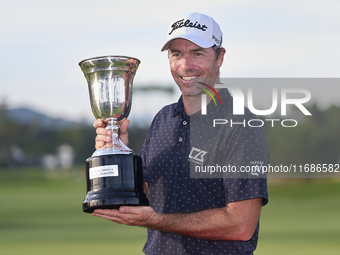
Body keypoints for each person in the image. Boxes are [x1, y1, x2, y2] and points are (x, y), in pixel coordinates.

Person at [92, 12, 269, 255]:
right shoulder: (163, 119)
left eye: (197, 53)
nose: (186, 65)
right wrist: (118, 154)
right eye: (177, 54)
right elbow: (142, 194)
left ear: (220, 57)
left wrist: (155, 220)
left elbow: (240, 225)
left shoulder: (240, 125)